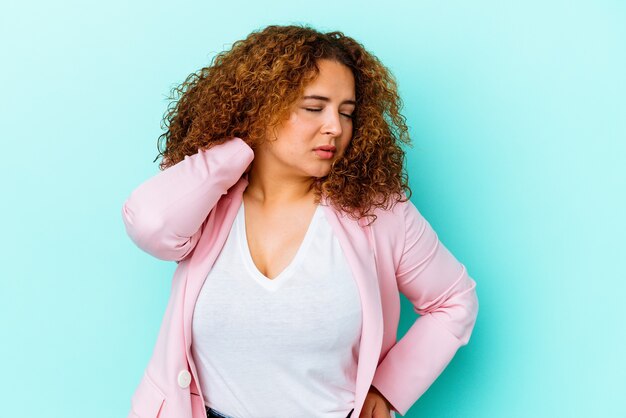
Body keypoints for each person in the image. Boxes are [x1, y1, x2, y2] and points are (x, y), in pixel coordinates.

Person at [122, 24, 479, 418]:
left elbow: (454, 300)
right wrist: (239, 147)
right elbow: (150, 223)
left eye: (347, 112)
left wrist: (389, 387)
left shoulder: (379, 212)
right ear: (261, 106)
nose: (336, 127)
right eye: (314, 108)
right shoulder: (209, 206)